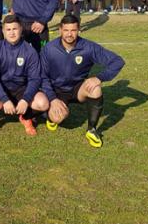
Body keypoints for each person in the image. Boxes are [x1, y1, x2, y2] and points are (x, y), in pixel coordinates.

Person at [40, 15, 125, 148]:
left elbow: (117, 61)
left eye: (73, 30)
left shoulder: (88, 47)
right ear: (60, 30)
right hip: (57, 90)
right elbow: (43, 76)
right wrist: (52, 99)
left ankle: (91, 130)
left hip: (77, 89)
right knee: (58, 118)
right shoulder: (49, 49)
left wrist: (99, 77)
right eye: (66, 30)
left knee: (95, 89)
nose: (69, 34)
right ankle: (50, 116)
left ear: (79, 30)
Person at [0, 14, 49, 136]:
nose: (12, 33)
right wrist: (4, 99)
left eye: (15, 29)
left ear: (21, 29)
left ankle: (26, 117)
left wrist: (26, 99)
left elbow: (35, 79)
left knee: (43, 103)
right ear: (3, 31)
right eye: (8, 29)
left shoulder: (30, 51)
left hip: (22, 88)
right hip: (2, 86)